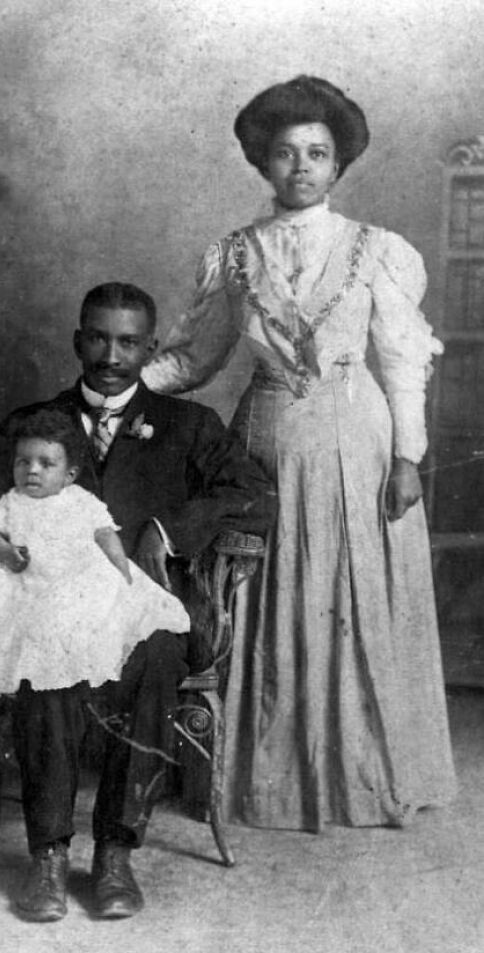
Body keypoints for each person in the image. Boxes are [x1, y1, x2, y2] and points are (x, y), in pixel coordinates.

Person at [142, 75, 457, 832]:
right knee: (264, 591)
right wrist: (115, 392)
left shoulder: (376, 251)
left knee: (355, 600)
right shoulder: (235, 256)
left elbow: (401, 359)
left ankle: (365, 775)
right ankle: (267, 778)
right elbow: (194, 359)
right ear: (263, 163)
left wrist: (408, 457)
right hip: (267, 447)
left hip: (360, 443)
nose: (302, 167)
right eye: (285, 153)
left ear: (338, 163)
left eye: (317, 153)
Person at [0, 281, 277, 921]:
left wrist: (170, 530)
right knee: (44, 661)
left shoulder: (188, 424)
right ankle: (49, 856)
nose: (111, 354)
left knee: (158, 654)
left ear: (150, 348)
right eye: (98, 337)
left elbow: (255, 494)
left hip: (140, 609)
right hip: (44, 608)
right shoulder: (34, 425)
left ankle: (115, 851)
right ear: (78, 340)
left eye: (128, 342)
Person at [0, 408, 190, 697]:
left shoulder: (80, 500)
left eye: (46, 464)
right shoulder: (12, 500)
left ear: (69, 475)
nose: (32, 470)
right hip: (27, 582)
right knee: (15, 626)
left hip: (75, 577)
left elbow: (104, 532)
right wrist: (6, 552)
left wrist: (120, 564)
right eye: (23, 462)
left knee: (90, 614)